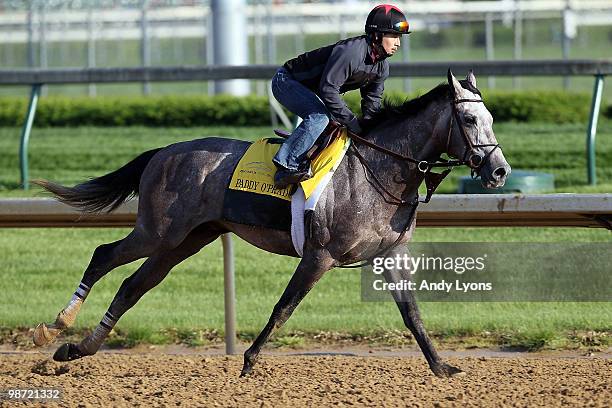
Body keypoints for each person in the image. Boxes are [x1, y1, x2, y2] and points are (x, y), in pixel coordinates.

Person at [271, 4, 411, 189]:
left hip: (313, 90)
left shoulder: (381, 66)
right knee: (320, 117)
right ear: (377, 35)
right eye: (393, 36)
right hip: (286, 81)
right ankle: (286, 166)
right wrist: (352, 121)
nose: (398, 43)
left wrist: (373, 130)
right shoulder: (351, 53)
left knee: (336, 122)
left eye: (399, 37)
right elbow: (328, 90)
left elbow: (372, 104)